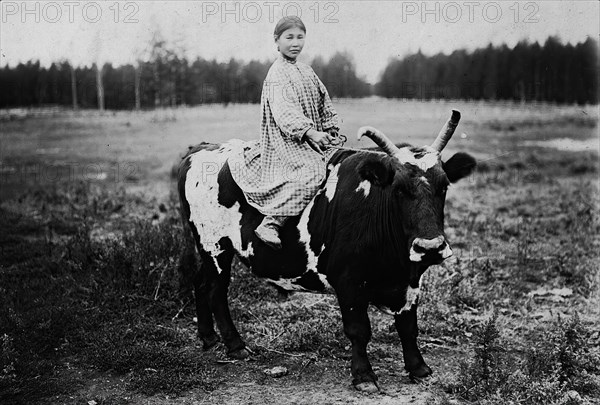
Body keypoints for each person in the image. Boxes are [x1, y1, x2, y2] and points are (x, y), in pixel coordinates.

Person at [229, 16, 340, 250]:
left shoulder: (306, 71)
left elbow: (324, 101)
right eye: (289, 37)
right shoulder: (277, 74)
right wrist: (309, 132)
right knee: (311, 172)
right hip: (286, 142)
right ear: (277, 41)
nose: (295, 43)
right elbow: (284, 113)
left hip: (312, 139)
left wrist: (330, 127)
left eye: (300, 37)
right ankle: (272, 223)